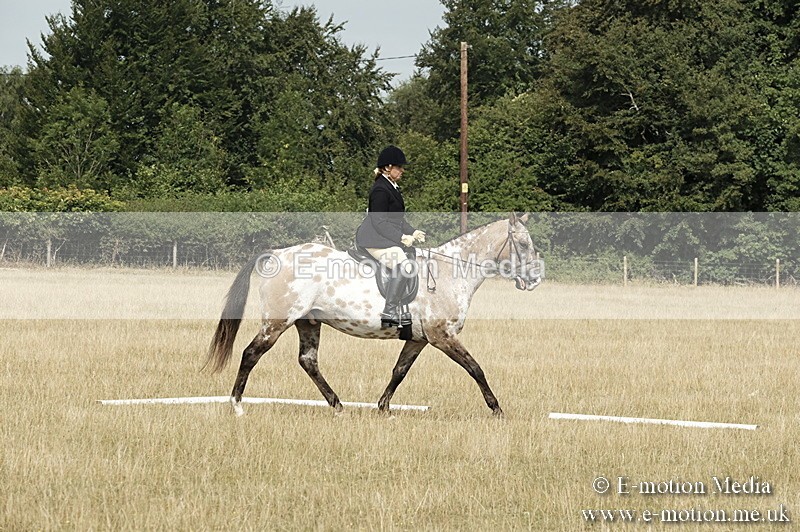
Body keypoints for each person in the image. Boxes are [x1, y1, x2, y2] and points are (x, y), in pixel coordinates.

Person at [355, 145, 426, 328]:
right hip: (374, 239)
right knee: (403, 265)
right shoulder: (380, 189)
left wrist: (412, 232)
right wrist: (401, 238)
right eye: (399, 167)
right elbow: (379, 221)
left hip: (384, 236)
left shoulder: (392, 187)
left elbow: (397, 220)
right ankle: (390, 311)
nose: (402, 170)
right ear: (388, 167)